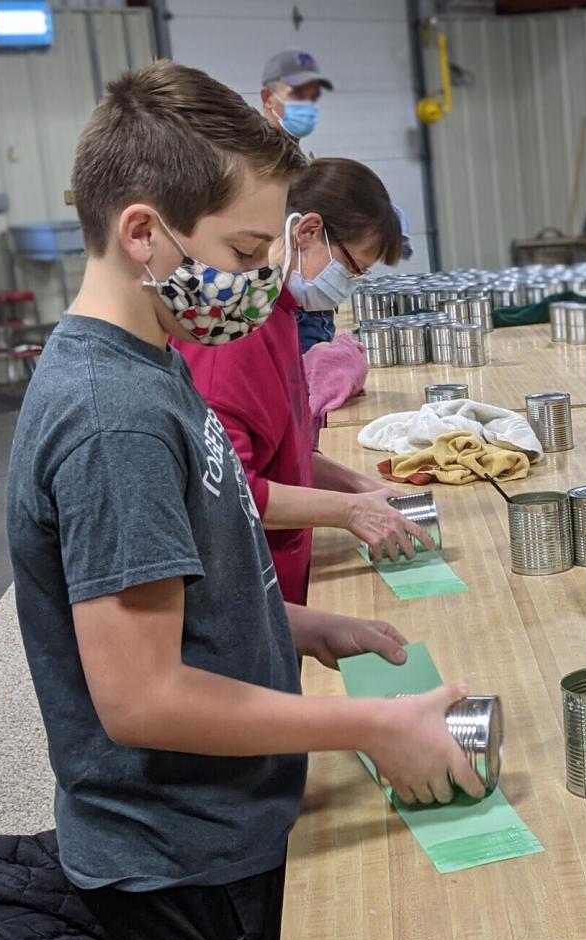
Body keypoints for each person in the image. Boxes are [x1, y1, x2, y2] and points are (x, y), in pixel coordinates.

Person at [4, 62, 483, 940]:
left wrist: (300, 627)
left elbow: (193, 568)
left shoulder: (155, 360)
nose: (264, 278)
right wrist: (371, 723)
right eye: (245, 250)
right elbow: (143, 696)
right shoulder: (111, 416)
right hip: (182, 875)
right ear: (145, 234)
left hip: (221, 836)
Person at [179, 157, 426, 607]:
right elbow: (231, 492)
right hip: (252, 594)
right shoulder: (236, 335)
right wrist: (349, 511)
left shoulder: (282, 316)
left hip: (286, 577)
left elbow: (282, 453)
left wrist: (357, 486)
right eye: (350, 267)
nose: (347, 285)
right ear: (307, 231)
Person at [259, 49, 414, 352]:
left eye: (312, 97)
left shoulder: (298, 161)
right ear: (268, 96)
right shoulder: (257, 168)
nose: (307, 106)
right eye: (296, 95)